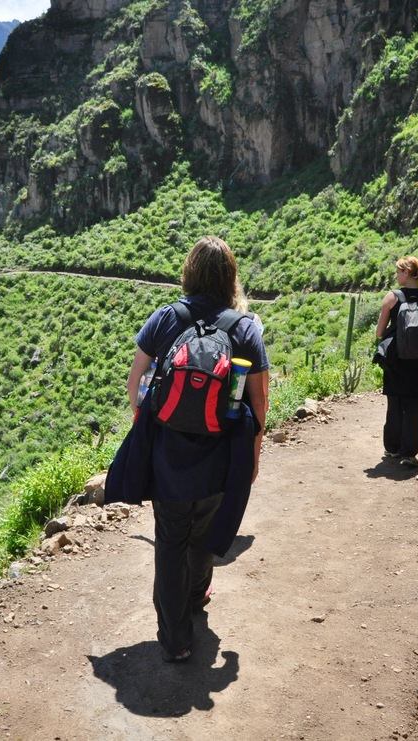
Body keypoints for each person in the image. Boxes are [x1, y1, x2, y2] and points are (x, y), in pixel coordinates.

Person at [125, 235, 269, 662]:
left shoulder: (166, 318)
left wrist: (149, 426)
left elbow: (135, 384)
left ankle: (176, 641)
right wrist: (253, 456)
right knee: (203, 532)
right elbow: (259, 403)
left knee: (170, 541)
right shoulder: (245, 328)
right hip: (220, 455)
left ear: (188, 273)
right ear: (231, 278)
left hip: (168, 456)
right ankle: (196, 596)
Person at [374, 255, 418, 467]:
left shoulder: (392, 298)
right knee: (416, 404)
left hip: (396, 360)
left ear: (406, 272)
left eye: (398, 271)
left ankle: (392, 448)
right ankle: (409, 453)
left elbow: (379, 332)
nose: (397, 275)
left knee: (395, 402)